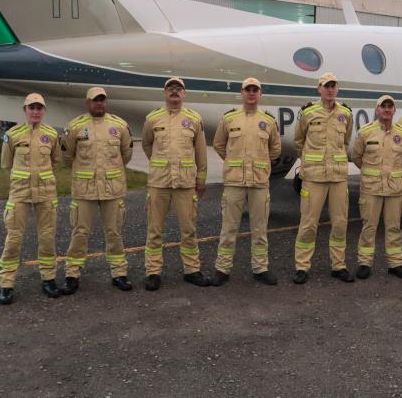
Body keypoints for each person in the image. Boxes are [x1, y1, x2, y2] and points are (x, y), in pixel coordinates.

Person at [60, 87, 134, 294]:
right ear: (88, 103)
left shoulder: (119, 126)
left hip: (112, 189)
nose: (99, 103)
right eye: (95, 100)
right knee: (80, 233)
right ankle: (72, 274)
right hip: (85, 191)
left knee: (114, 232)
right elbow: (67, 157)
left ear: (106, 102)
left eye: (102, 100)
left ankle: (119, 273)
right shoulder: (75, 127)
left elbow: (125, 155)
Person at [210, 77, 282, 286]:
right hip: (234, 182)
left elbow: (275, 149)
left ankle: (260, 268)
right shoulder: (229, 119)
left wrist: (260, 163)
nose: (251, 93)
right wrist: (234, 162)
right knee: (228, 229)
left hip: (259, 183)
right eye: (248, 90)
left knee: (260, 229)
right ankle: (222, 269)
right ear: (242, 93)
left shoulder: (268, 121)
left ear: (260, 94)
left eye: (255, 90)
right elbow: (219, 144)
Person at [141, 77, 211, 290]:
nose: (174, 91)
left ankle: (192, 270)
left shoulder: (194, 119)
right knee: (154, 230)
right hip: (159, 183)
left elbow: (201, 151)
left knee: (188, 229)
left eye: (178, 88)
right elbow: (146, 145)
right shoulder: (152, 119)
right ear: (165, 93)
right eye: (170, 88)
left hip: (185, 183)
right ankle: (153, 272)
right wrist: (159, 165)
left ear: (184, 93)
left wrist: (201, 178)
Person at [0, 93, 62, 305]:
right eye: (31, 108)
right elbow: (6, 164)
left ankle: (48, 279)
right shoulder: (13, 134)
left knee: (47, 238)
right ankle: (6, 284)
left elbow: (56, 161)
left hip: (45, 193)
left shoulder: (51, 135)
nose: (35, 112)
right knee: (14, 239)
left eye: (39, 108)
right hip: (20, 193)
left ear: (43, 111)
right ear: (25, 110)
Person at [292, 72, 355, 284]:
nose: (329, 89)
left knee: (339, 223)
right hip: (314, 178)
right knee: (308, 224)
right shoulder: (308, 112)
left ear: (337, 89)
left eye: (333, 86)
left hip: (337, 177)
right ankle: (302, 266)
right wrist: (311, 163)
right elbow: (299, 141)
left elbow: (345, 141)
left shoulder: (345, 113)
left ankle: (338, 266)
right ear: (319, 89)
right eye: (325, 86)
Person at [352, 95, 402, 280]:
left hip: (394, 189)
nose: (386, 110)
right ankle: (365, 263)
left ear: (394, 111)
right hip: (372, 188)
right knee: (369, 227)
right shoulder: (365, 132)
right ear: (377, 110)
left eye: (390, 107)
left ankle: (395, 263)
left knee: (394, 227)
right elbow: (357, 157)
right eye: (383, 106)